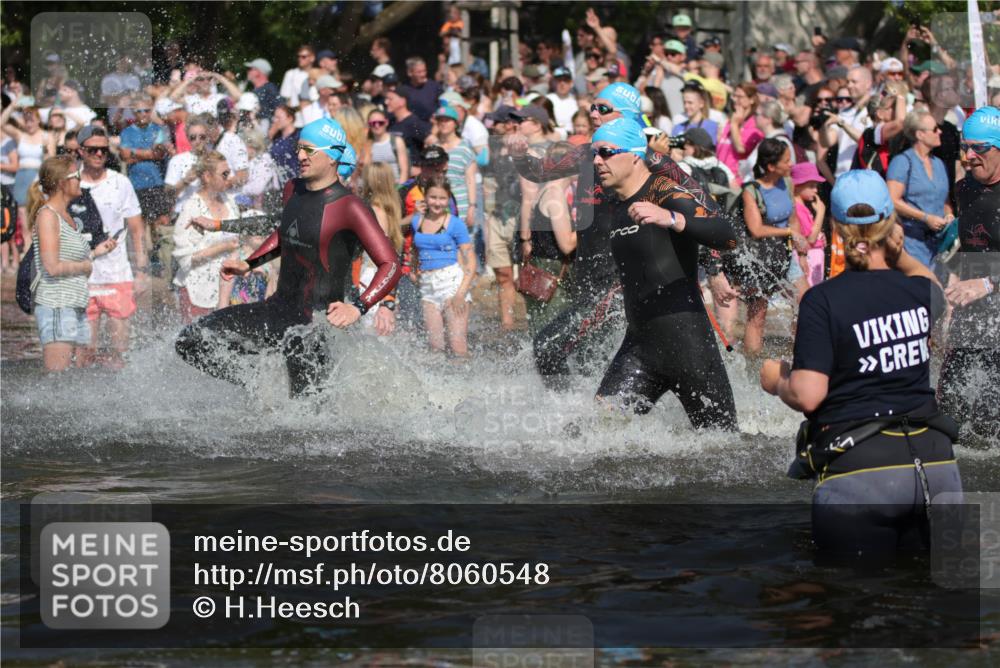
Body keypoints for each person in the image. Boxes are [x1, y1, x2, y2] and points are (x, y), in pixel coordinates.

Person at [761, 169, 961, 560]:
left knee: (851, 607)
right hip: (937, 467)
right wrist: (893, 248)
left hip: (861, 471)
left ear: (836, 228)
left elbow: (809, 394)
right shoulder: (920, 291)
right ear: (892, 226)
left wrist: (776, 379)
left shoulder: (823, 301)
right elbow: (935, 288)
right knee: (940, 608)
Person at [175, 117, 401, 396]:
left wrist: (358, 307)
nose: (299, 155)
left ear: (332, 157)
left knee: (305, 416)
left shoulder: (351, 207)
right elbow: (285, 231)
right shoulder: (293, 189)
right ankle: (258, 382)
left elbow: (391, 263)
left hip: (315, 328)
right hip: (278, 310)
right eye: (299, 148)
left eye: (309, 150)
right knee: (191, 340)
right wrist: (249, 263)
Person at [590, 117, 738, 429]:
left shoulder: (662, 189)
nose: (597, 160)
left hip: (689, 345)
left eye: (605, 152)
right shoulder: (616, 203)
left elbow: (727, 234)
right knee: (593, 436)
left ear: (633, 154)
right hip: (640, 348)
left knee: (722, 445)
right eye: (595, 153)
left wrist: (673, 218)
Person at [938, 107, 1000, 442]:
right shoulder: (964, 189)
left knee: (990, 424)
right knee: (949, 412)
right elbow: (968, 249)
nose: (970, 156)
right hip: (972, 313)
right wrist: (952, 295)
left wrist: (989, 282)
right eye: (965, 148)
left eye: (980, 148)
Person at [28, 155, 117, 371]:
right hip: (57, 305)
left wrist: (95, 254)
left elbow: (72, 261)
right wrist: (86, 266)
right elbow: (52, 266)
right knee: (59, 381)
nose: (81, 180)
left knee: (78, 377)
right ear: (61, 183)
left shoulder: (67, 216)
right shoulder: (48, 216)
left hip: (75, 303)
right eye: (76, 176)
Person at [727, 138, 808, 358]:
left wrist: (800, 252)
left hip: (785, 254)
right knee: (758, 315)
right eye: (787, 160)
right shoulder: (751, 191)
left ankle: (800, 354)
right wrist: (790, 233)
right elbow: (756, 229)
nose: (791, 164)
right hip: (760, 258)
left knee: (806, 301)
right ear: (771, 166)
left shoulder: (787, 183)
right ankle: (752, 368)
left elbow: (792, 219)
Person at [77, 125, 148, 368]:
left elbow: (137, 230)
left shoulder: (121, 183)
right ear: (81, 151)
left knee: (120, 354)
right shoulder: (70, 183)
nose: (98, 154)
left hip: (117, 275)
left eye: (103, 150)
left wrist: (141, 271)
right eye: (93, 150)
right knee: (84, 353)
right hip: (81, 277)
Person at [411, 176, 476, 357]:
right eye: (433, 197)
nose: (437, 203)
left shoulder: (455, 224)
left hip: (451, 282)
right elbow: (415, 249)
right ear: (425, 196)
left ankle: (466, 383)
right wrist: (413, 268)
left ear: (448, 199)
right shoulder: (417, 221)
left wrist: (460, 293)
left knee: (457, 345)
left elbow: (471, 261)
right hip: (427, 285)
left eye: (442, 198)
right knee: (435, 346)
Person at [172, 152, 240, 322]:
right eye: (224, 174)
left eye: (229, 173)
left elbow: (239, 240)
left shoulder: (229, 201)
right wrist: (223, 247)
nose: (229, 178)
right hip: (198, 290)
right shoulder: (191, 208)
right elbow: (186, 258)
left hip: (230, 289)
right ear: (207, 176)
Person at [520, 142, 576, 338]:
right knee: (555, 337)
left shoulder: (543, 189)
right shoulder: (555, 195)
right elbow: (567, 245)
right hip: (552, 274)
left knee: (540, 335)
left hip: (539, 270)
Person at [886, 110, 952, 268]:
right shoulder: (902, 162)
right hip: (912, 243)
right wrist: (925, 218)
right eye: (935, 129)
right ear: (920, 135)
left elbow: (945, 199)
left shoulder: (939, 164)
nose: (940, 132)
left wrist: (949, 214)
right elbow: (892, 200)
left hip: (939, 246)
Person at [358, 163, 404, 331]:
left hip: (369, 276)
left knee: (367, 332)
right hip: (382, 277)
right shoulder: (389, 208)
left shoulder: (374, 210)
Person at [432, 106, 477, 230]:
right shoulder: (433, 147)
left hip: (461, 204)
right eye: (440, 120)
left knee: (464, 245)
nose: (443, 123)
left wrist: (472, 207)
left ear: (456, 124)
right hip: (437, 204)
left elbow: (471, 180)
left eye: (447, 120)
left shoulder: (465, 148)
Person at [716, 83, 763, 186]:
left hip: (737, 180)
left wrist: (734, 124)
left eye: (740, 97)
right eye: (734, 96)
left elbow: (741, 148)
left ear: (752, 100)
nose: (735, 100)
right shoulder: (731, 120)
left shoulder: (754, 124)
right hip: (720, 176)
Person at [791, 162, 827, 287]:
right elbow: (810, 239)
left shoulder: (803, 207)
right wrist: (821, 213)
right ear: (796, 186)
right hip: (809, 259)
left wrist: (820, 236)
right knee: (810, 294)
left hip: (814, 257)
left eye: (816, 186)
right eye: (811, 186)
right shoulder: (798, 209)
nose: (816, 190)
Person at [364, 107, 408, 183]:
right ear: (369, 124)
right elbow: (365, 170)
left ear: (386, 122)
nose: (377, 126)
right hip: (375, 188)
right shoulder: (368, 145)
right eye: (373, 123)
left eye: (380, 123)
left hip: (395, 187)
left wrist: (401, 189)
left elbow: (404, 170)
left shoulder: (397, 141)